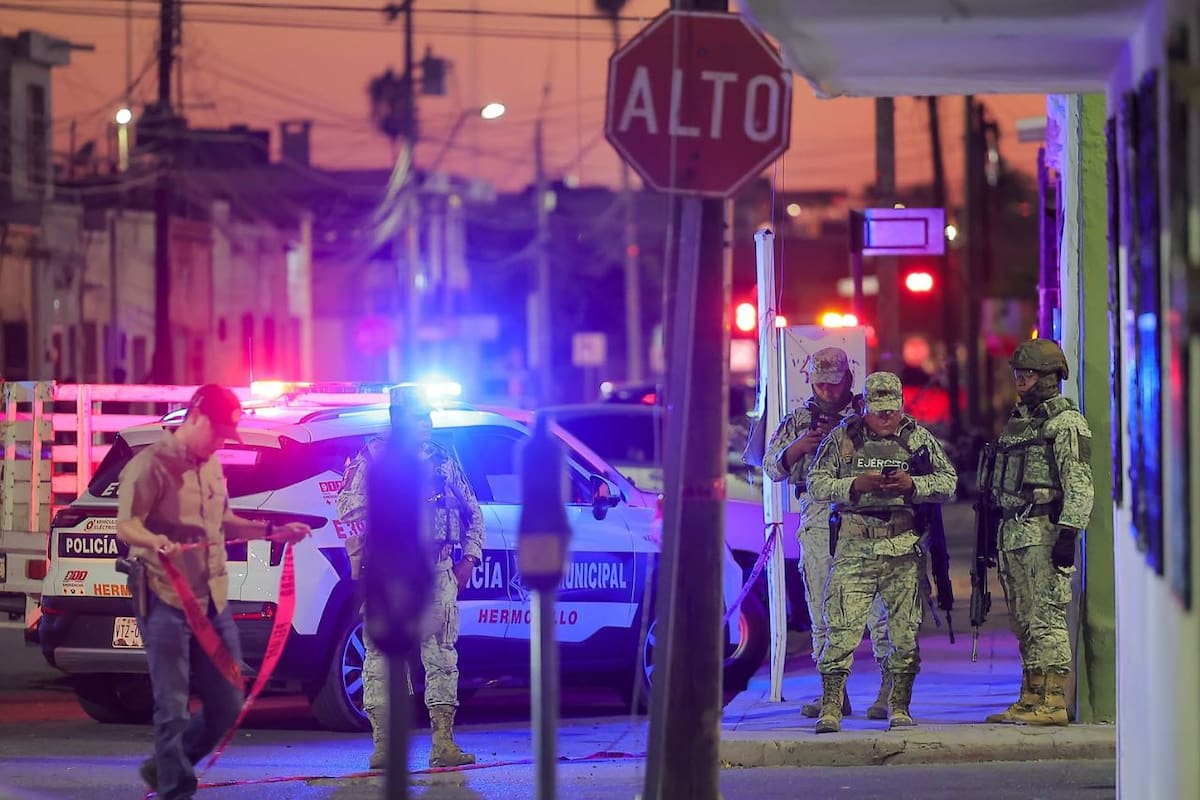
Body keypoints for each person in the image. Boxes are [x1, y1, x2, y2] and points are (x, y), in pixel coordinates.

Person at [116, 384, 310, 800]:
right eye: (220, 432)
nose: (223, 441)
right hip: (164, 597)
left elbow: (224, 521)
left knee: (227, 701)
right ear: (198, 418)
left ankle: (166, 765)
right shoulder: (150, 465)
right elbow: (127, 525)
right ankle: (174, 788)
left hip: (212, 601)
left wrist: (275, 532)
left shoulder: (210, 466)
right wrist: (155, 542)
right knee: (171, 705)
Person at [337, 392, 485, 769]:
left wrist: (468, 559)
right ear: (398, 417)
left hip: (437, 571)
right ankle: (386, 748)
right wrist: (361, 567)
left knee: (442, 658)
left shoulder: (443, 460)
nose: (428, 422)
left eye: (429, 415)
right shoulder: (373, 460)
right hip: (389, 574)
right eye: (420, 416)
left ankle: (443, 744)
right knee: (382, 660)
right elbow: (349, 516)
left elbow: (474, 512)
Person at [807, 371, 957, 733]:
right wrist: (854, 485)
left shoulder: (918, 438)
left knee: (904, 633)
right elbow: (816, 483)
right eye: (879, 411)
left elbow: (949, 482)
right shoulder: (844, 438)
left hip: (902, 547)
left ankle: (899, 705)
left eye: (892, 410)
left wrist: (913, 485)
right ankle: (831, 705)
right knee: (841, 628)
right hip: (856, 544)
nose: (886, 417)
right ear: (866, 406)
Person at [763, 347, 893, 720]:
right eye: (819, 384)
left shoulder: (866, 417)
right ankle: (832, 692)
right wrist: (796, 450)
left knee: (876, 607)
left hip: (863, 513)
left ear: (847, 380)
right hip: (818, 516)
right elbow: (771, 466)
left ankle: (889, 688)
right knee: (821, 607)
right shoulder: (798, 420)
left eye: (832, 385)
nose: (826, 392)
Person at [984, 339, 1093, 726]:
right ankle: (1031, 696)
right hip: (1014, 532)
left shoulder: (1064, 422)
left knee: (1047, 618)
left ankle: (1052, 701)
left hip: (1044, 532)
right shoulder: (1019, 422)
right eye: (1018, 373)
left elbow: (1078, 482)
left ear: (1050, 377)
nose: (1021, 380)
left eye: (1028, 374)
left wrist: (1069, 533)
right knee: (1025, 620)